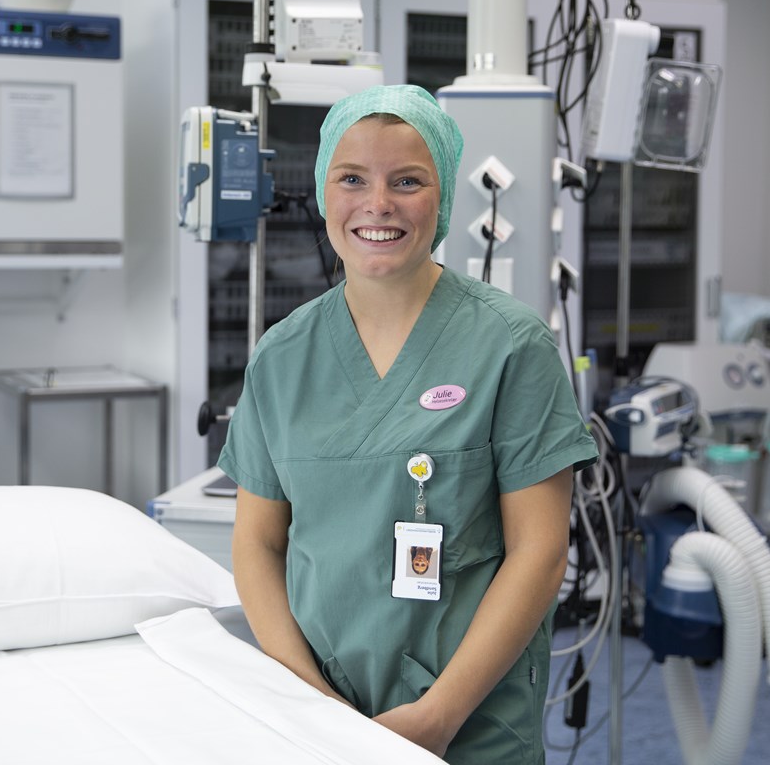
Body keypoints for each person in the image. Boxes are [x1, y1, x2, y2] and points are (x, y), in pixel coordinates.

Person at [218, 83, 599, 764]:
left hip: (470, 722)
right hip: (319, 716)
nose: (378, 204)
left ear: (444, 195)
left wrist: (437, 718)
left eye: (407, 181)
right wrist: (313, 705)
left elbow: (539, 555)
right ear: (324, 190)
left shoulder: (512, 346)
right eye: (352, 178)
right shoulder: (281, 359)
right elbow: (256, 544)